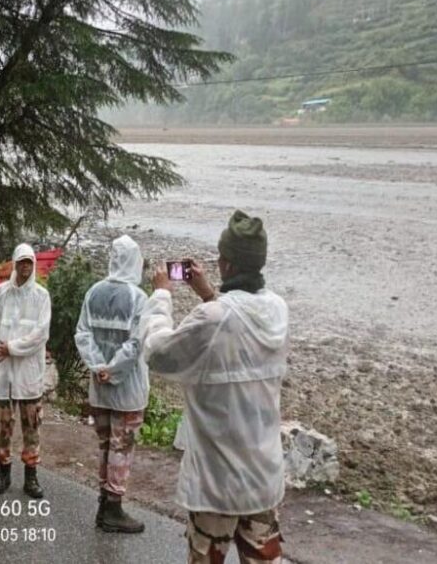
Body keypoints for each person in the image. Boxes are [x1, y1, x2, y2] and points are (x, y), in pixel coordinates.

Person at [139, 210, 288, 564]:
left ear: (227, 264)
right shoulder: (278, 311)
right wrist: (207, 292)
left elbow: (158, 354)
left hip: (216, 486)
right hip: (262, 480)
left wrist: (161, 296)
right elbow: (232, 331)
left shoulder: (213, 319)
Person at [74, 235, 149, 533]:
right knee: (122, 446)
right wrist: (113, 369)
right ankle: (114, 507)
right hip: (126, 388)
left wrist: (98, 366)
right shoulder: (137, 298)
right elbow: (135, 343)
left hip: (99, 386)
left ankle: (104, 502)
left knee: (105, 445)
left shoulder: (94, 292)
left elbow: (83, 333)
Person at [0, 244, 51, 498]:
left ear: (33, 264)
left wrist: (12, 348)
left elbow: (41, 334)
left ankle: (31, 476)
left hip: (29, 375)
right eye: (21, 262)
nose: (25, 267)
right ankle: (3, 471)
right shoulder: (1, 293)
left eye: (29, 262)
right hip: (3, 374)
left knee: (31, 427)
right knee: (2, 426)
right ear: (15, 264)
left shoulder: (41, 296)